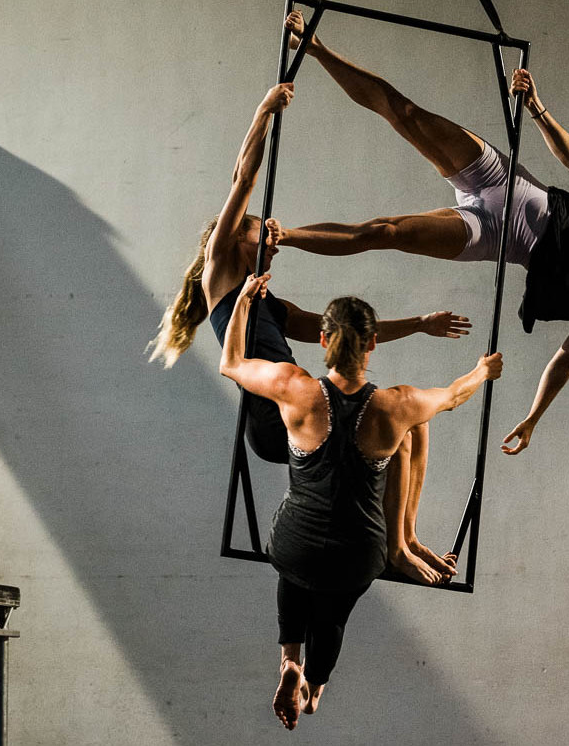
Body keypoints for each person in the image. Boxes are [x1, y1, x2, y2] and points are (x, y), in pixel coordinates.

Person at [269, 11, 569, 456]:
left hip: (490, 236)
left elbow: (565, 358)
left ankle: (282, 236)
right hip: (503, 181)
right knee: (405, 113)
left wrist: (533, 417)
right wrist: (537, 108)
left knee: (383, 231)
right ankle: (315, 46)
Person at [146, 80, 469, 582]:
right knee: (401, 419)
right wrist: (264, 111)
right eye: (262, 232)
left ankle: (404, 540)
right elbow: (243, 179)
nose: (274, 238)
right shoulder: (221, 274)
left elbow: (347, 331)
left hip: (304, 404)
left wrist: (421, 325)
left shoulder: (270, 302)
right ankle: (396, 550)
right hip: (278, 419)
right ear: (235, 238)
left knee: (413, 423)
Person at [219, 274, 502, 730]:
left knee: (294, 566)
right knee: (333, 610)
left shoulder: (294, 387)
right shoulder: (396, 404)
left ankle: (289, 660)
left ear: (323, 339)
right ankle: (312, 683)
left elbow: (231, 362)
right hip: (357, 553)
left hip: (295, 543)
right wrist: (482, 372)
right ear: (373, 343)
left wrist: (244, 303)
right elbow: (453, 395)